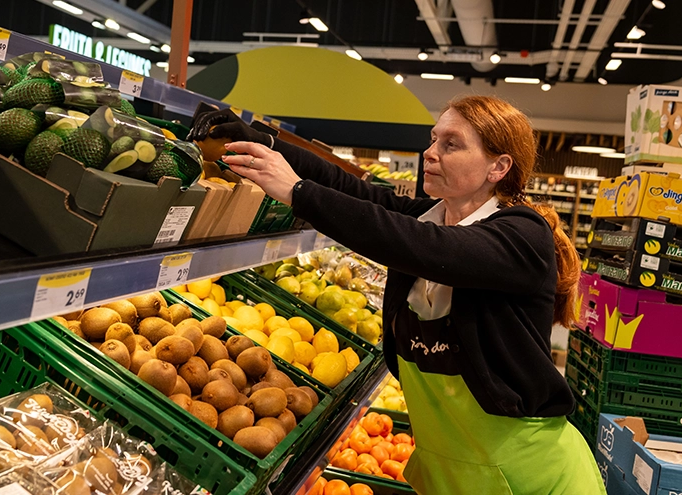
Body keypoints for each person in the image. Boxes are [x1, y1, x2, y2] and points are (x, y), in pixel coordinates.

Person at [188, 95, 605, 494]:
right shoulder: (431, 216)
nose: (431, 152)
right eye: (433, 139)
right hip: (452, 471)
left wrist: (297, 193)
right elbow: (352, 189)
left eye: (451, 144)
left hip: (530, 475)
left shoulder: (522, 234)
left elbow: (422, 248)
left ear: (498, 166)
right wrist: (262, 143)